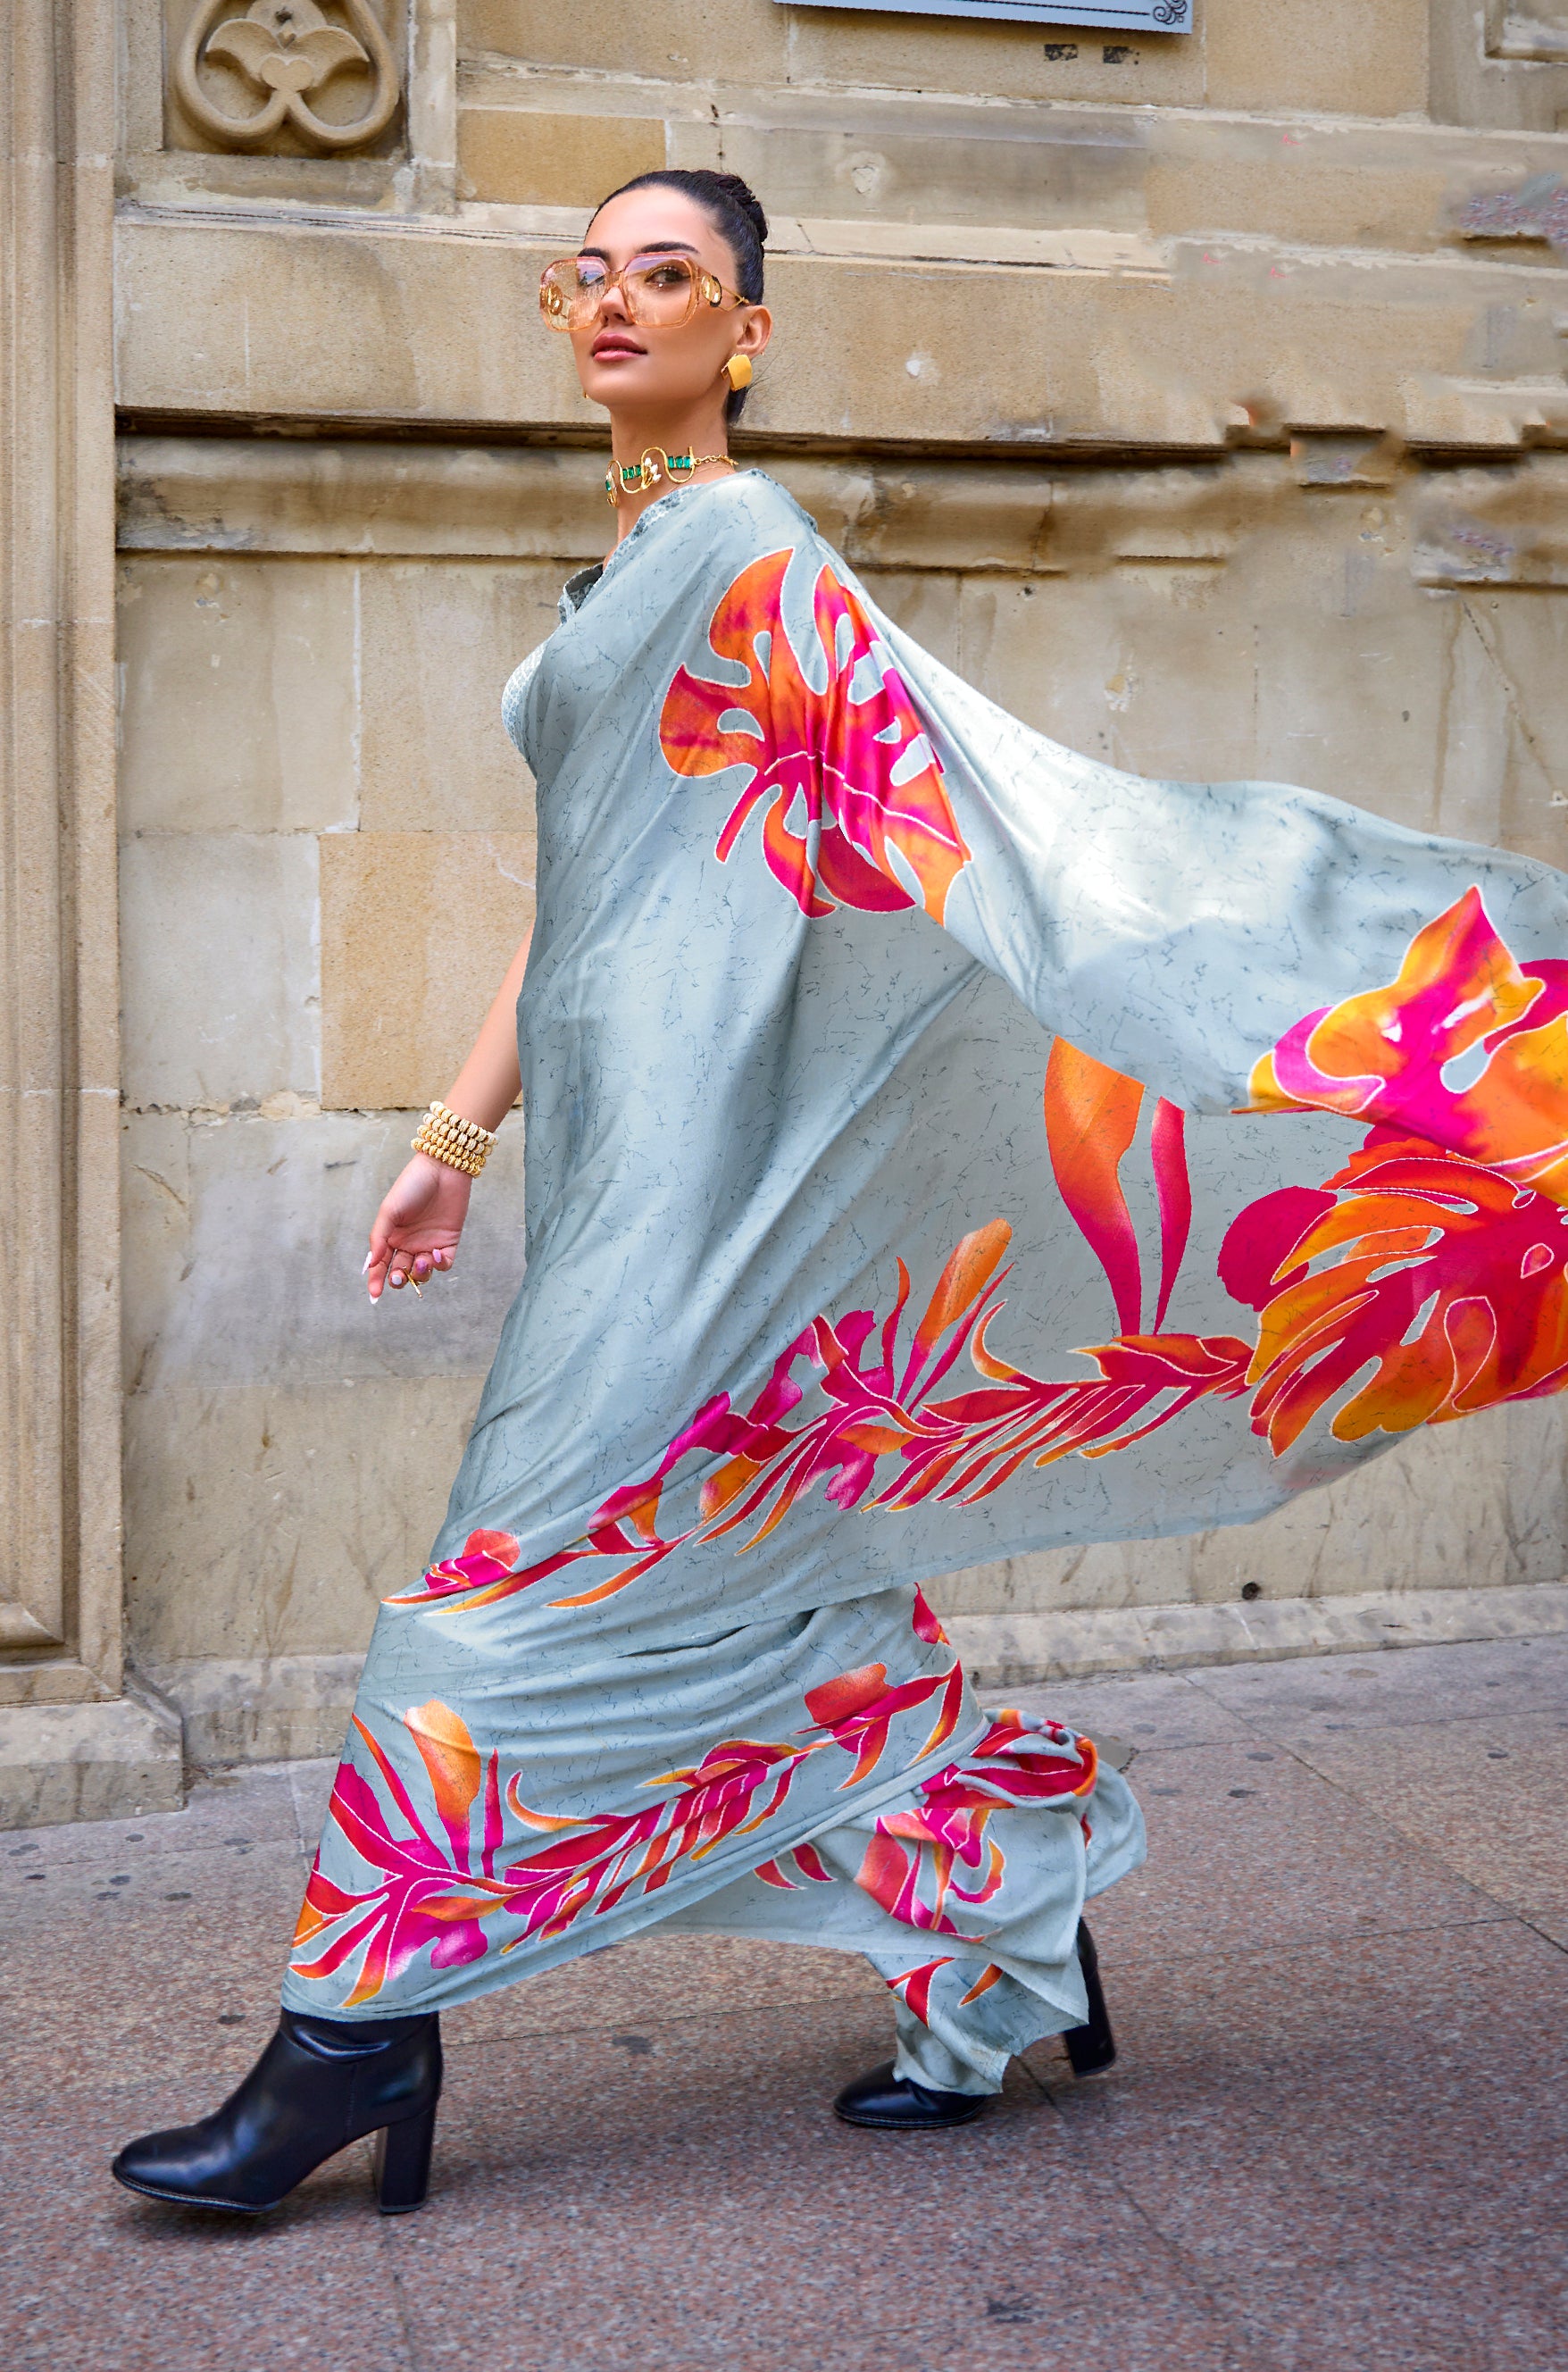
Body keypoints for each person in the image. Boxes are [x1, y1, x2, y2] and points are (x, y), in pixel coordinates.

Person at [113, 167, 1568, 2217]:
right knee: (780, 1596)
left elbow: (963, 825)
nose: (617, 305)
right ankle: (1004, 1923)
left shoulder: (744, 544)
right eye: (590, 276)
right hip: (628, 1159)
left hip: (722, 1181)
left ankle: (346, 2042)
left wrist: (1239, 985)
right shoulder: (619, 567)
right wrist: (453, 1139)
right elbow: (588, 910)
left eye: (670, 276)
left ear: (748, 328)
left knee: (486, 1608)